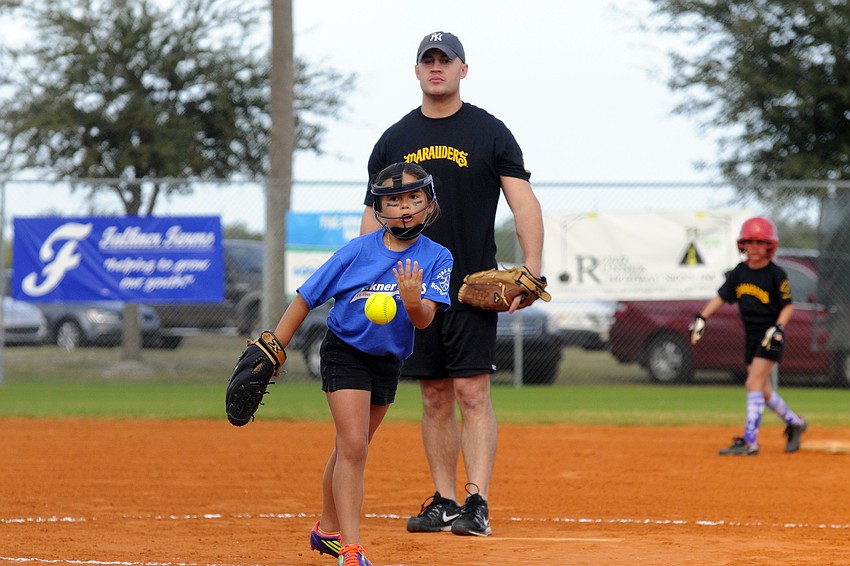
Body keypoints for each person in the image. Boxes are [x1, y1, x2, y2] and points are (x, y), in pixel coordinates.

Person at [361, 31, 545, 537]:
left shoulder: (490, 132)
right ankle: (443, 499)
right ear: (417, 71)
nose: (436, 67)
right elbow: (372, 218)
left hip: (470, 286)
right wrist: (370, 282)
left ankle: (477, 502)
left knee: (472, 392)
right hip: (412, 287)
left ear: (464, 69)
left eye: (446, 60)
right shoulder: (394, 140)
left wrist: (532, 265)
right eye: (428, 60)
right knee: (435, 395)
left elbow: (523, 200)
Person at [274, 162, 453, 566]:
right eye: (393, 200)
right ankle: (350, 549)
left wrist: (412, 301)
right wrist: (275, 347)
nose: (404, 207)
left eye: (413, 198)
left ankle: (324, 529)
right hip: (344, 350)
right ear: (378, 208)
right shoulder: (358, 250)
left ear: (429, 204)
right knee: (353, 446)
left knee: (352, 448)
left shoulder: (438, 256)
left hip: (388, 360)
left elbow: (425, 319)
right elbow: (306, 297)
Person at [690, 216, 807, 456]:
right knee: (762, 390)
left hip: (770, 335)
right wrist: (702, 317)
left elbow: (788, 306)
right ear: (742, 244)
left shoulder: (776, 274)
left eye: (759, 242)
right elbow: (721, 297)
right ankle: (795, 423)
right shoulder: (739, 273)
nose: (754, 247)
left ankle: (750, 441)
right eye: (749, 242)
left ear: (769, 245)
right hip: (751, 337)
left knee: (752, 383)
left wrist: (779, 327)